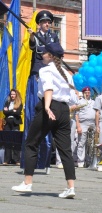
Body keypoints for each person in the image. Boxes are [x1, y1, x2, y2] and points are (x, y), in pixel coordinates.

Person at [11, 42, 77, 198]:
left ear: (50, 56)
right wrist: (62, 110)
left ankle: (27, 183)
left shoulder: (46, 70)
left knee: (31, 143)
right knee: (65, 150)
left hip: (49, 107)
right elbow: (74, 98)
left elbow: (48, 88)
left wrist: (47, 107)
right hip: (63, 109)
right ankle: (71, 187)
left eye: (44, 53)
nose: (42, 55)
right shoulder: (68, 74)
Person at [23, 10, 59, 171]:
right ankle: (30, 161)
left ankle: (45, 161)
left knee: (49, 116)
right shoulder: (35, 35)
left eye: (48, 21)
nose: (47, 24)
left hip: (50, 75)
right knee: (34, 115)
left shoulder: (53, 37)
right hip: (38, 75)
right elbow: (32, 47)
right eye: (44, 21)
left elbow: (57, 53)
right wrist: (32, 36)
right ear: (39, 23)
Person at [75, 87, 96, 168]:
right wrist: (78, 126)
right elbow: (76, 114)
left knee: (91, 143)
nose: (87, 94)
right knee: (81, 142)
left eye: (88, 92)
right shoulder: (79, 102)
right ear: (83, 93)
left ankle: (89, 160)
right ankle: (80, 161)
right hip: (83, 123)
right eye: (86, 92)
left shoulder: (94, 102)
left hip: (92, 123)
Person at [3, 89, 23, 165]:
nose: (12, 95)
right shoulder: (7, 102)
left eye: (14, 94)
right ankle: (7, 160)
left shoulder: (19, 103)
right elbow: (5, 112)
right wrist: (12, 111)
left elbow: (18, 113)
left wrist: (9, 111)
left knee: (16, 141)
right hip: (7, 123)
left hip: (15, 123)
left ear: (16, 95)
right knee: (7, 141)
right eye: (11, 94)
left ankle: (16, 160)